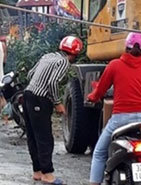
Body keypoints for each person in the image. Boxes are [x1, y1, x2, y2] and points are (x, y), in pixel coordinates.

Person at [87, 32, 141, 185]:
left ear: (126, 47)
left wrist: (92, 97)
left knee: (100, 152)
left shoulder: (114, 65)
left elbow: (100, 91)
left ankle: (94, 182)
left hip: (120, 120)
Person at [23, 35, 83, 184]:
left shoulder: (48, 56)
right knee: (45, 138)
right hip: (40, 99)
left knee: (33, 136)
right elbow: (53, 83)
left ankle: (37, 171)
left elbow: (30, 74)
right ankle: (48, 174)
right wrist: (57, 103)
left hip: (28, 95)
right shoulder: (63, 62)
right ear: (74, 53)